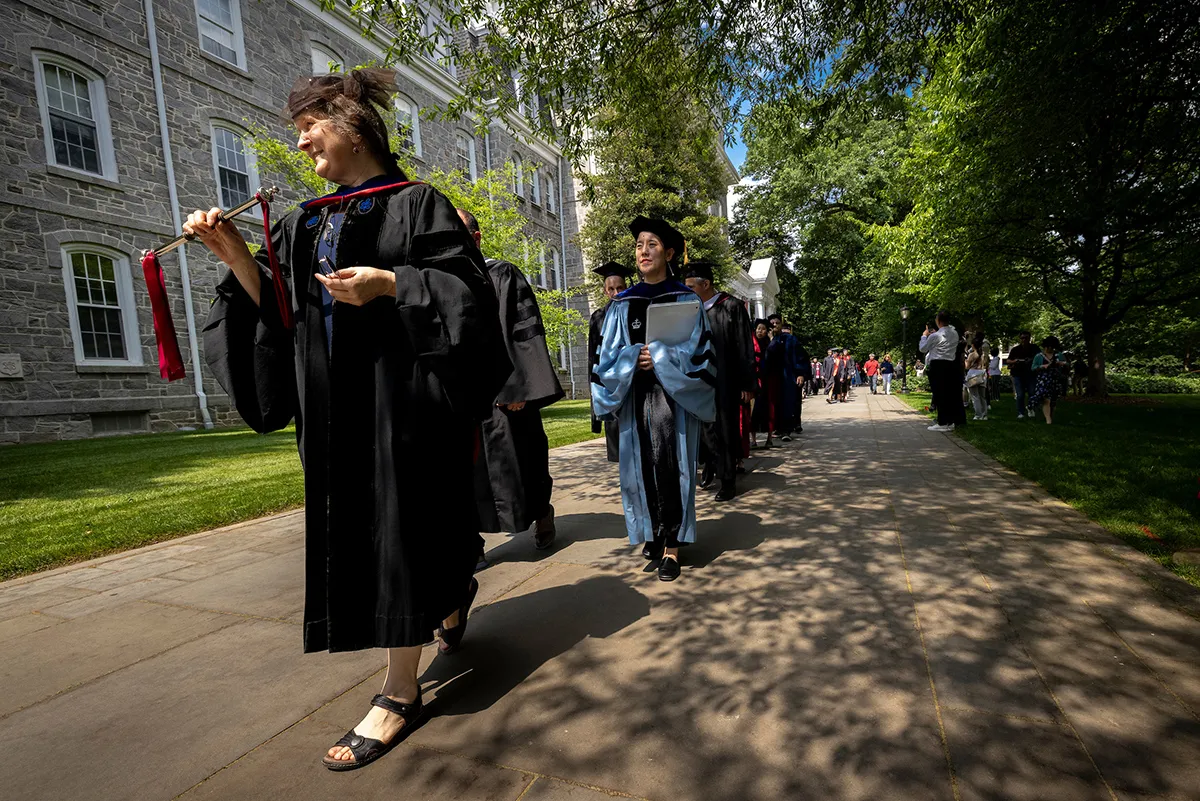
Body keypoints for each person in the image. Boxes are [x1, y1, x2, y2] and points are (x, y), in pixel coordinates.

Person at [192, 69, 510, 771]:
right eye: (297, 128)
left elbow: (468, 302)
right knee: (385, 534)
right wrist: (239, 256)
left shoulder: (418, 204)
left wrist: (392, 283)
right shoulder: (306, 220)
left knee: (402, 532)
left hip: (404, 404)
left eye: (310, 124)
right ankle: (452, 590)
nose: (301, 140)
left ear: (354, 125)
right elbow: (283, 316)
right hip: (333, 410)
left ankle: (400, 691)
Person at [592, 217, 716, 582]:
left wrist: (659, 356)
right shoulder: (622, 304)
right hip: (635, 398)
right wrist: (634, 358)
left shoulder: (686, 300)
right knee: (640, 467)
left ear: (670, 252)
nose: (643, 251)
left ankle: (673, 546)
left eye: (652, 244)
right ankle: (653, 531)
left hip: (673, 399)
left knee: (670, 463)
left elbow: (701, 356)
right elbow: (608, 357)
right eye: (639, 245)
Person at [458, 209, 563, 567]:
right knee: (464, 474)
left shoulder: (501, 274)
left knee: (525, 459)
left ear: (476, 237)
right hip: (462, 397)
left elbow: (524, 330)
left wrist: (520, 387)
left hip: (506, 393)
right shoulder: (440, 280)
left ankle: (542, 512)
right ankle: (470, 542)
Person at [683, 260, 756, 501]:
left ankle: (728, 481)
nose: (688, 291)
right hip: (698, 381)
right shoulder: (690, 311)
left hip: (725, 380)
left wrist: (747, 384)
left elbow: (745, 347)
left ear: (706, 284)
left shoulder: (731, 307)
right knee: (703, 429)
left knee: (724, 429)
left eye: (692, 286)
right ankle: (711, 466)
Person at [588, 262, 633, 462]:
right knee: (617, 451)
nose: (616, 293)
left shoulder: (635, 311)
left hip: (632, 382)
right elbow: (592, 357)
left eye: (620, 288)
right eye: (611, 289)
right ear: (605, 291)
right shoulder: (598, 317)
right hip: (610, 385)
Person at [920, 311, 965, 431]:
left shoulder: (935, 336)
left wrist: (924, 336)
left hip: (938, 364)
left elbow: (923, 348)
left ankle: (943, 422)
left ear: (938, 321)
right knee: (949, 393)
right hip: (950, 364)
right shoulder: (954, 333)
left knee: (939, 393)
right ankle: (950, 421)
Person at [1030, 335, 1070, 424]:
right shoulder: (1039, 356)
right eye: (1048, 347)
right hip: (1043, 380)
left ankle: (1049, 416)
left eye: (1052, 347)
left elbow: (1067, 365)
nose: (1050, 349)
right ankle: (1048, 420)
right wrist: (1043, 366)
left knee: (1053, 400)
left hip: (1055, 379)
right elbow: (1033, 368)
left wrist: (1061, 363)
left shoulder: (1058, 355)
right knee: (1046, 399)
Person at [751, 320, 774, 447]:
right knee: (754, 411)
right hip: (754, 379)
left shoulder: (769, 344)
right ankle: (753, 439)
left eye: (763, 329)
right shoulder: (750, 343)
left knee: (768, 409)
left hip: (767, 381)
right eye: (758, 328)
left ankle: (769, 438)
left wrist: (772, 340)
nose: (760, 331)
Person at [1007, 330, 1038, 419]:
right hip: (1018, 374)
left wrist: (1031, 360)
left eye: (1026, 338)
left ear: (1029, 338)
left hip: (1031, 374)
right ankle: (1021, 412)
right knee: (1020, 394)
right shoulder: (1015, 349)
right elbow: (1008, 360)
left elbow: (1040, 357)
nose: (1024, 340)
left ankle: (1030, 408)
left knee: (1032, 392)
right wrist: (1015, 361)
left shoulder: (1034, 348)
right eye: (1022, 338)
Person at [964, 333, 989, 421]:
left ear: (973, 345)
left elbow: (967, 366)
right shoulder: (984, 355)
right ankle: (984, 415)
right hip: (982, 374)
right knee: (982, 396)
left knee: (975, 396)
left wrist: (965, 360)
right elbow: (986, 364)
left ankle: (978, 415)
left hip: (973, 375)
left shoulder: (972, 354)